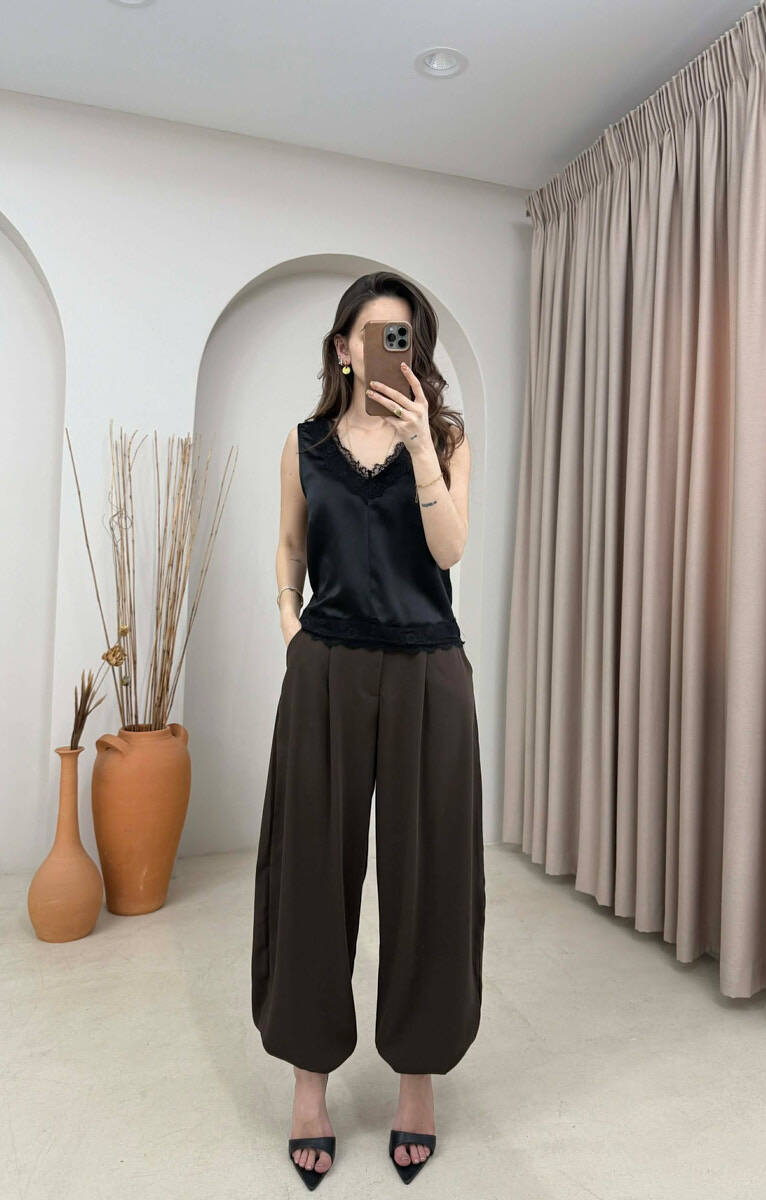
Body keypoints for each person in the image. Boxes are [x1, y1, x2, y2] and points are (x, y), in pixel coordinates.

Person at [251, 271, 485, 1190]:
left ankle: (416, 1082)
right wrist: (290, 626)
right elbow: (289, 545)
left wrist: (422, 444)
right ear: (343, 347)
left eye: (406, 337)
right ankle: (309, 1085)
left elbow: (450, 549)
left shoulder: (449, 438)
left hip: (429, 670)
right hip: (329, 668)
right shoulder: (305, 443)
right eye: (376, 334)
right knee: (310, 871)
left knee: (429, 879)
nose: (392, 349)